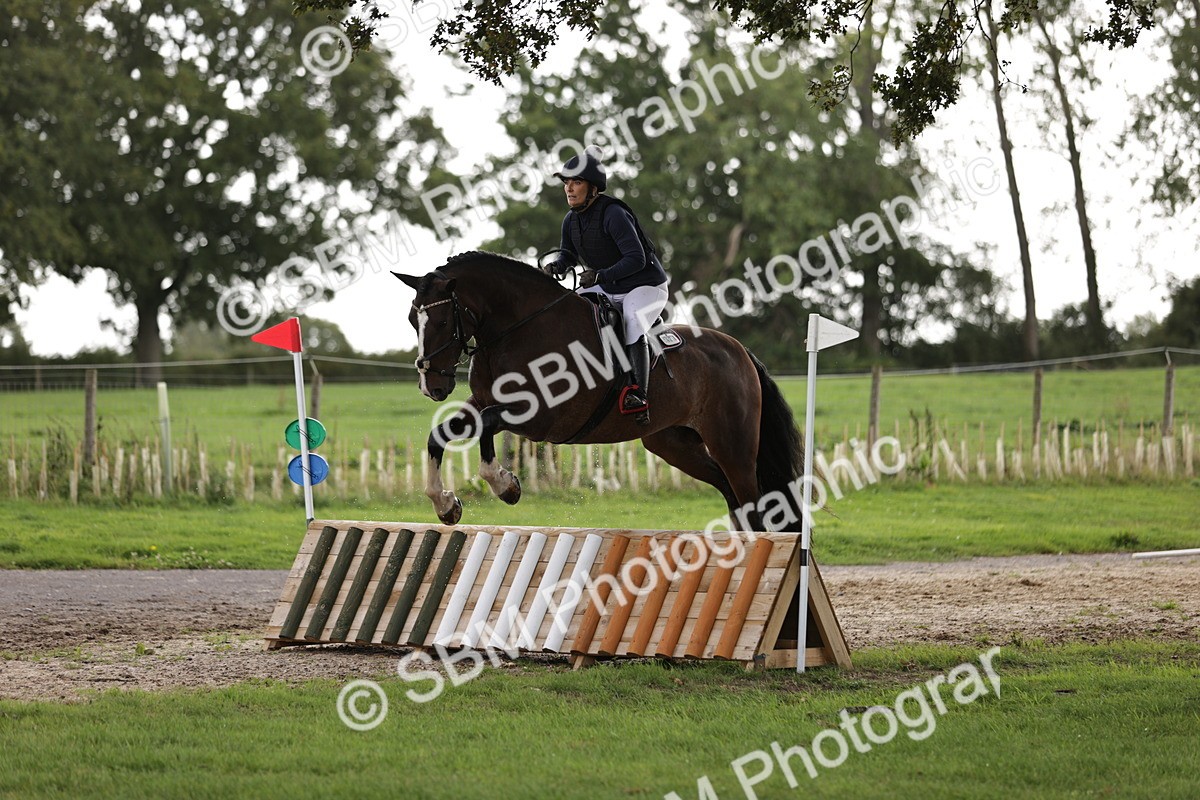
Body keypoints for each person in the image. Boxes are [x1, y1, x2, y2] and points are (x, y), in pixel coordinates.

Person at [546, 146, 668, 424]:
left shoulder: (613, 213)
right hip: (609, 287)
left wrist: (600, 276)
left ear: (592, 188)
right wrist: (557, 266)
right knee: (568, 308)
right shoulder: (570, 220)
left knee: (632, 320)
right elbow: (568, 255)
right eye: (566, 183)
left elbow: (636, 259)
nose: (569, 189)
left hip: (645, 285)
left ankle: (639, 394)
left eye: (576, 182)